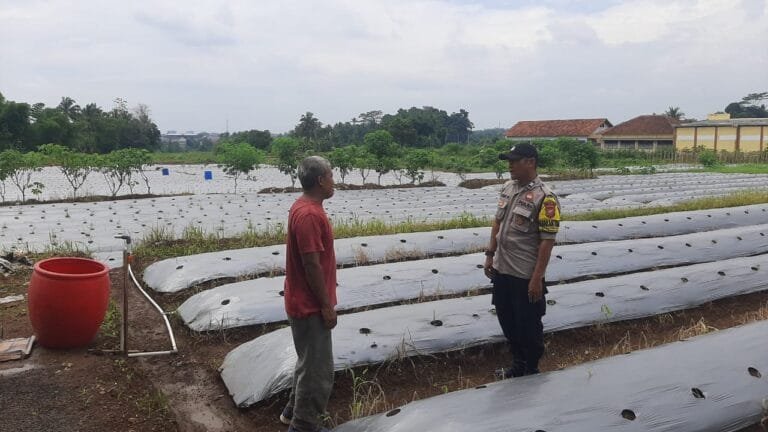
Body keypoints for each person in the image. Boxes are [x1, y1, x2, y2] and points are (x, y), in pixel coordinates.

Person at [482, 143, 560, 378]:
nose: (510, 165)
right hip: (502, 269)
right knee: (506, 318)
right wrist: (490, 254)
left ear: (530, 162)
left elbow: (547, 241)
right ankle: (517, 365)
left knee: (528, 325)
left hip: (524, 274)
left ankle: (531, 368)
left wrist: (537, 279)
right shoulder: (508, 188)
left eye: (515, 161)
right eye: (509, 160)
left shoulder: (546, 198)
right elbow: (497, 222)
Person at [280, 156, 337, 432]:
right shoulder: (310, 215)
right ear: (320, 180)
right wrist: (326, 306)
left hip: (300, 300)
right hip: (309, 305)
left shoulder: (302, 207)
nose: (334, 181)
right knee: (318, 372)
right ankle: (303, 426)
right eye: (331, 176)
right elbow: (311, 263)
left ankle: (292, 412)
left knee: (307, 362)